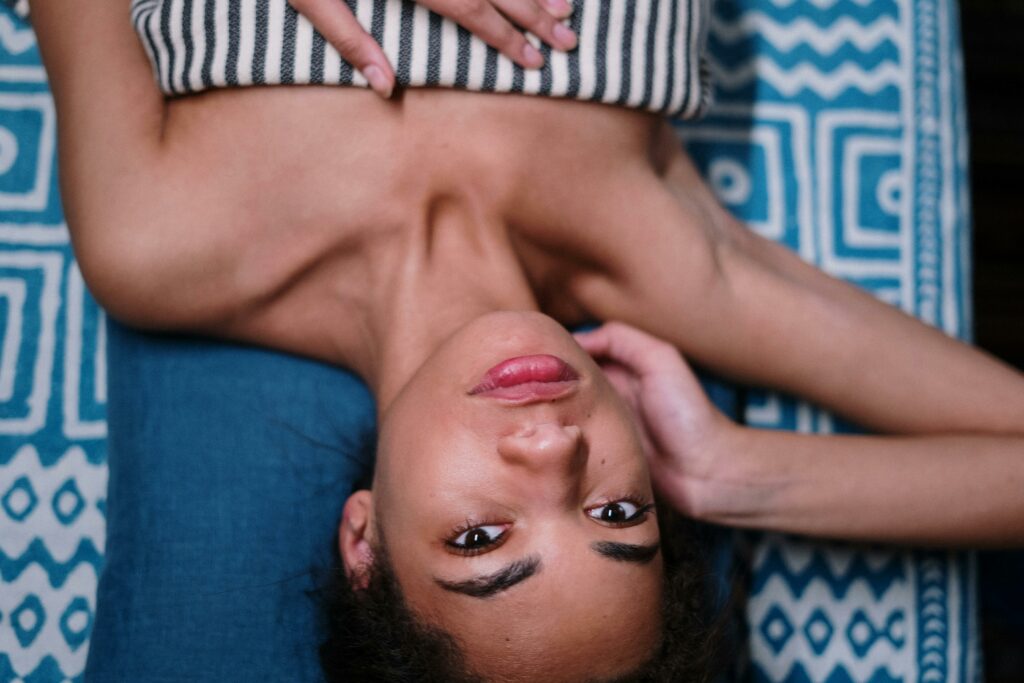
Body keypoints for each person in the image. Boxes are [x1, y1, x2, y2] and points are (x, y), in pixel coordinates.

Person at [26, 0, 1024, 680]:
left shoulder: (160, 242)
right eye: (616, 510)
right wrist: (730, 473)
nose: (550, 449)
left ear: (364, 538)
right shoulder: (660, 259)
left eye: (482, 537)